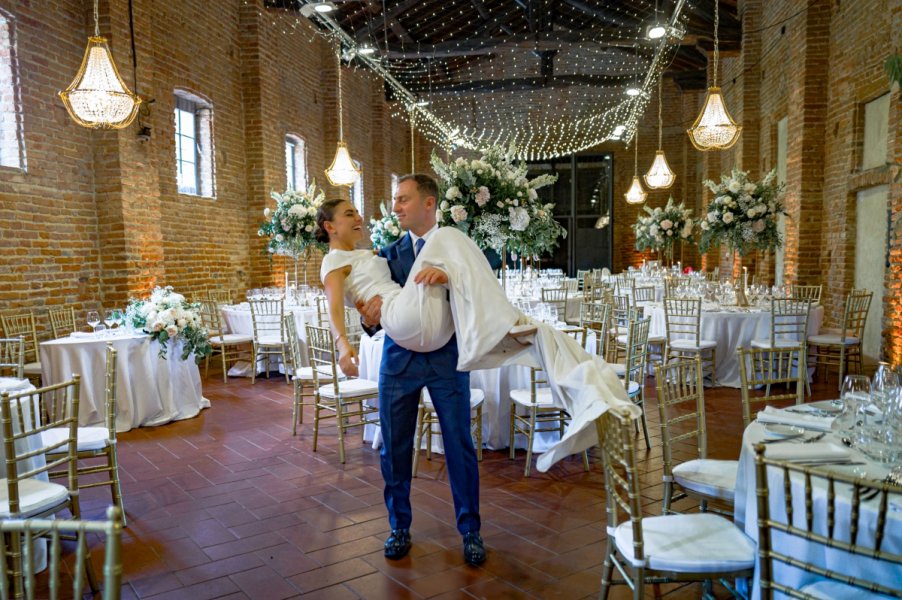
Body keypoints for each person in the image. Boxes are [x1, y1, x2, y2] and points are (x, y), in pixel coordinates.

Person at [317, 175, 636, 565]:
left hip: (447, 361)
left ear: (429, 203)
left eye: (404, 198)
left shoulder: (459, 246)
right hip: (399, 361)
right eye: (395, 199)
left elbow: (480, 291)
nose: (396, 206)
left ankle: (471, 531)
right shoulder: (387, 253)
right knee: (396, 447)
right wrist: (367, 322)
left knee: (459, 444)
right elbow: (371, 301)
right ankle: (398, 526)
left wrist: (451, 276)